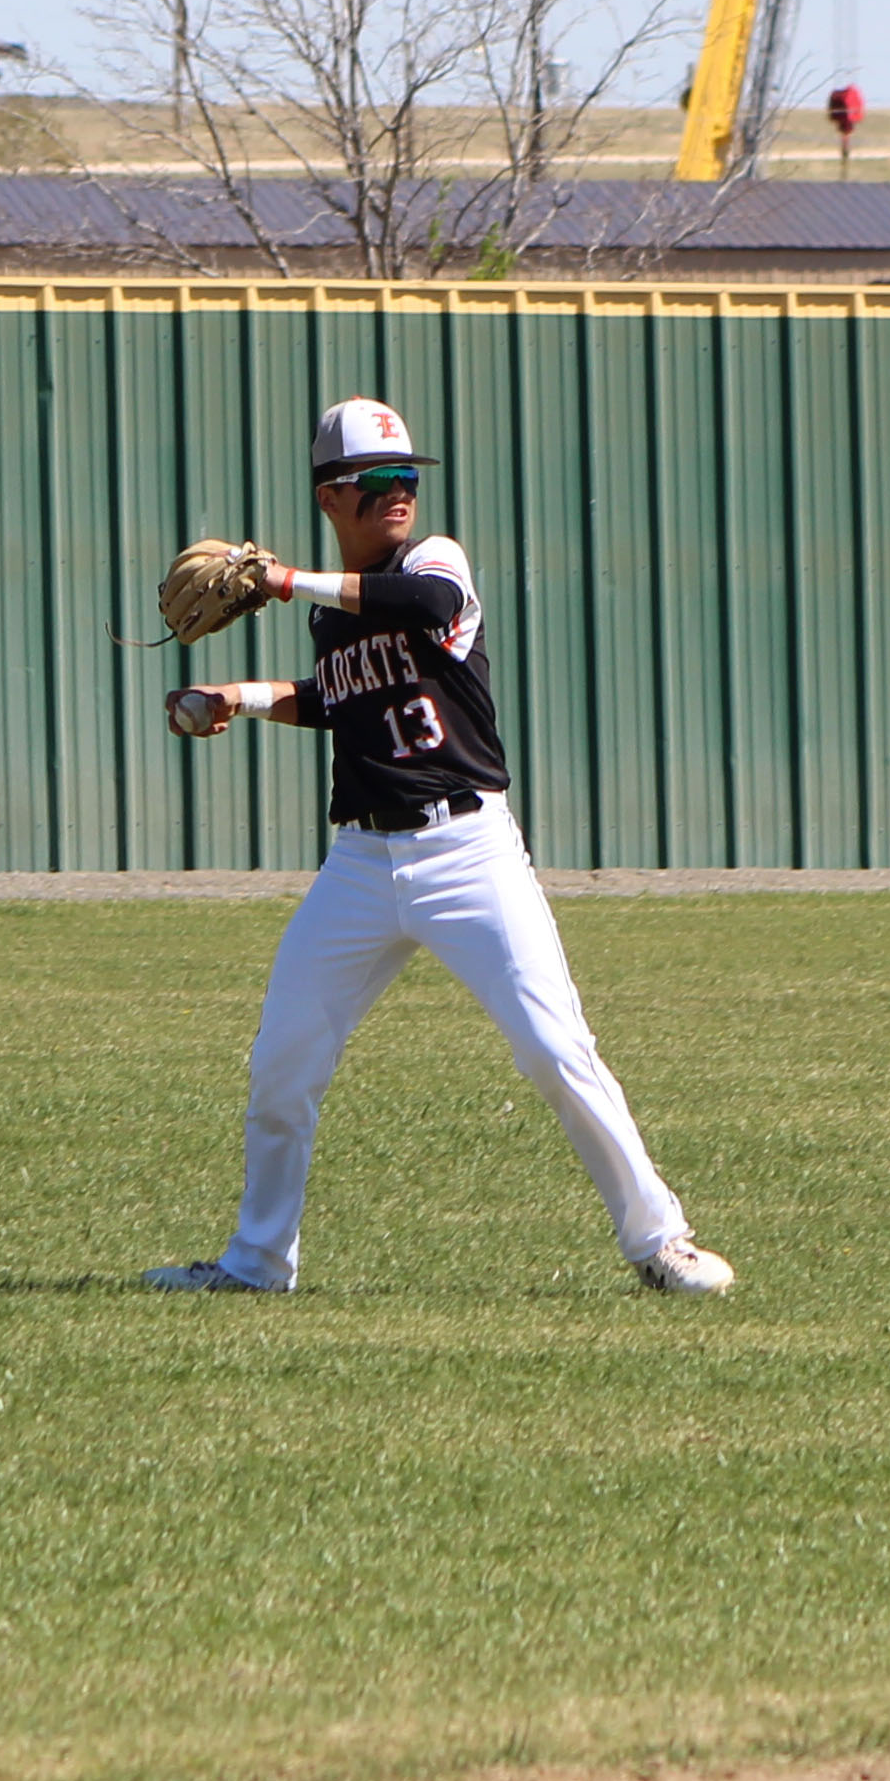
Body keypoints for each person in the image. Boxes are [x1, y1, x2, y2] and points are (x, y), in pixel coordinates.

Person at [146, 396, 735, 1298]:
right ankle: (257, 1263)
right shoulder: (331, 612)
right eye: (377, 482)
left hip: (469, 851)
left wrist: (286, 580)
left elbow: (423, 606)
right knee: (282, 1064)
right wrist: (247, 697)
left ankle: (663, 1242)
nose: (399, 494)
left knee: (552, 1048)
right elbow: (344, 695)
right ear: (331, 498)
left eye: (407, 478)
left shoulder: (432, 560)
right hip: (359, 866)